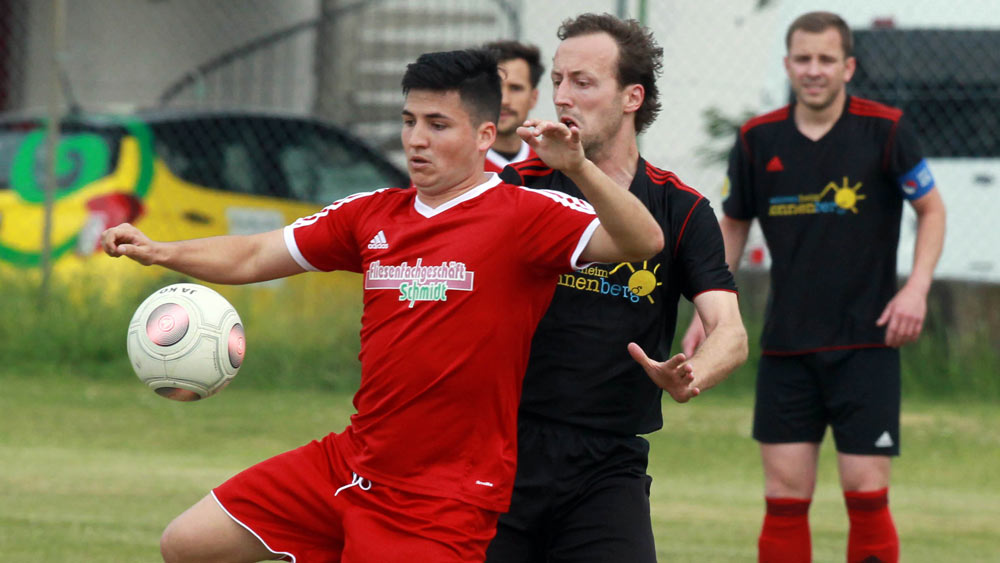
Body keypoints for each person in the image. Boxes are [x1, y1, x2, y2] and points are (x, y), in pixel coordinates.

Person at [103, 48, 668, 563]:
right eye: (409, 122)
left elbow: (643, 241)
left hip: (440, 497)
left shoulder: (524, 215)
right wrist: (161, 251)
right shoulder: (372, 214)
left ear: (483, 135)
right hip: (352, 462)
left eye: (437, 125)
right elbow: (254, 255)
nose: (416, 139)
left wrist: (578, 169)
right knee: (188, 544)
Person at [682, 11, 946, 563]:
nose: (814, 70)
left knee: (866, 495)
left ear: (848, 66)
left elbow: (932, 208)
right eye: (803, 59)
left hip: (867, 344)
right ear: (787, 64)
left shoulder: (886, 129)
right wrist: (708, 311)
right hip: (787, 346)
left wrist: (917, 287)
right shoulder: (759, 139)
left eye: (827, 59)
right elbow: (732, 223)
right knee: (782, 499)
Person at [485, 13, 748, 563]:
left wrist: (690, 374)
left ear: (632, 97)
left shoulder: (682, 208)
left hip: (607, 465)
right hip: (503, 449)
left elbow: (730, 331)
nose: (562, 97)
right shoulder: (515, 190)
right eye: (558, 81)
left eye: (583, 83)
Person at [481, 39, 543, 173]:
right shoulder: (458, 164)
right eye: (495, 87)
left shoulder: (549, 166)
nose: (504, 100)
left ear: (533, 98)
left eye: (515, 88)